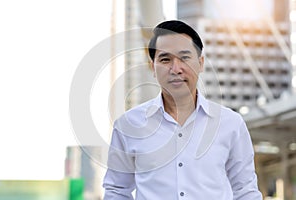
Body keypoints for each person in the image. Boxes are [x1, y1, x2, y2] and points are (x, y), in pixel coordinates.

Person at [102, 20, 262, 200]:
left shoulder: (230, 124)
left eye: (184, 57)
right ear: (152, 67)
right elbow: (116, 190)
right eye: (165, 59)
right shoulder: (128, 125)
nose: (175, 69)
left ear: (200, 63)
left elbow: (245, 190)